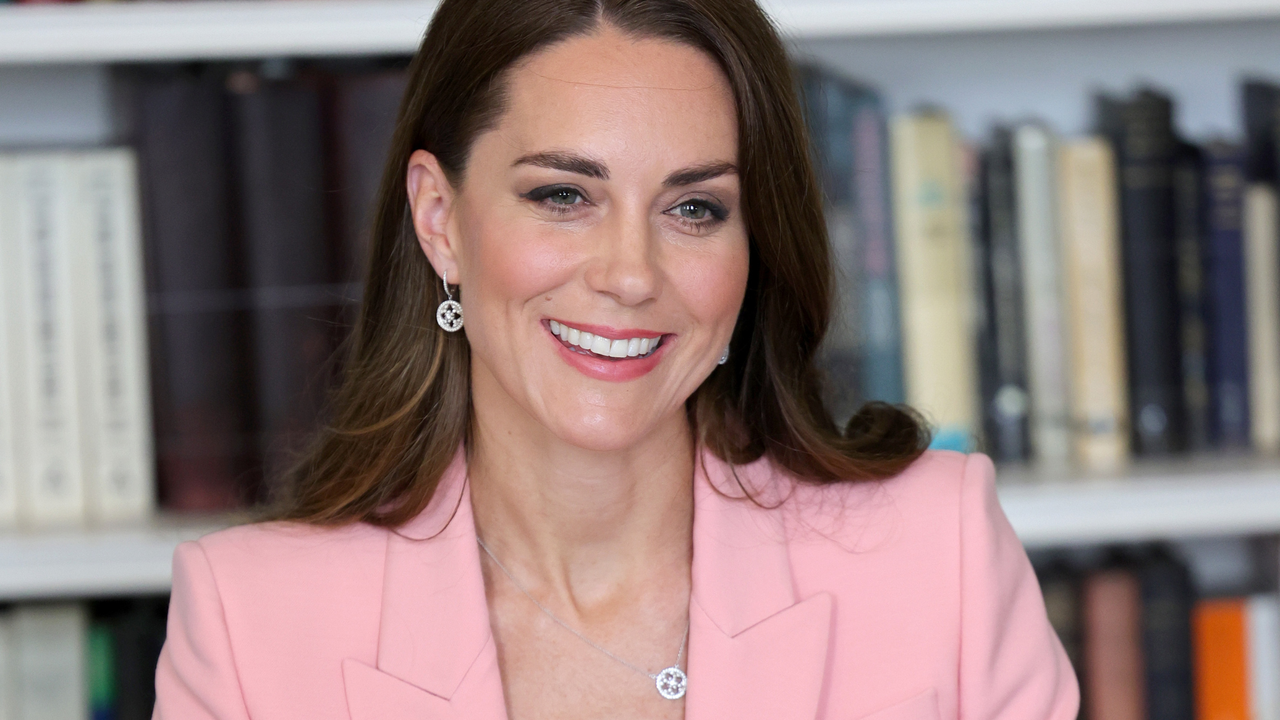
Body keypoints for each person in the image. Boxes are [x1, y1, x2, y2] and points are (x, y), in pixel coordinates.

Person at [153, 0, 1079, 718]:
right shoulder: (248, 623)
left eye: (694, 209)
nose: (631, 276)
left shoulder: (938, 551)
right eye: (563, 195)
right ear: (440, 221)